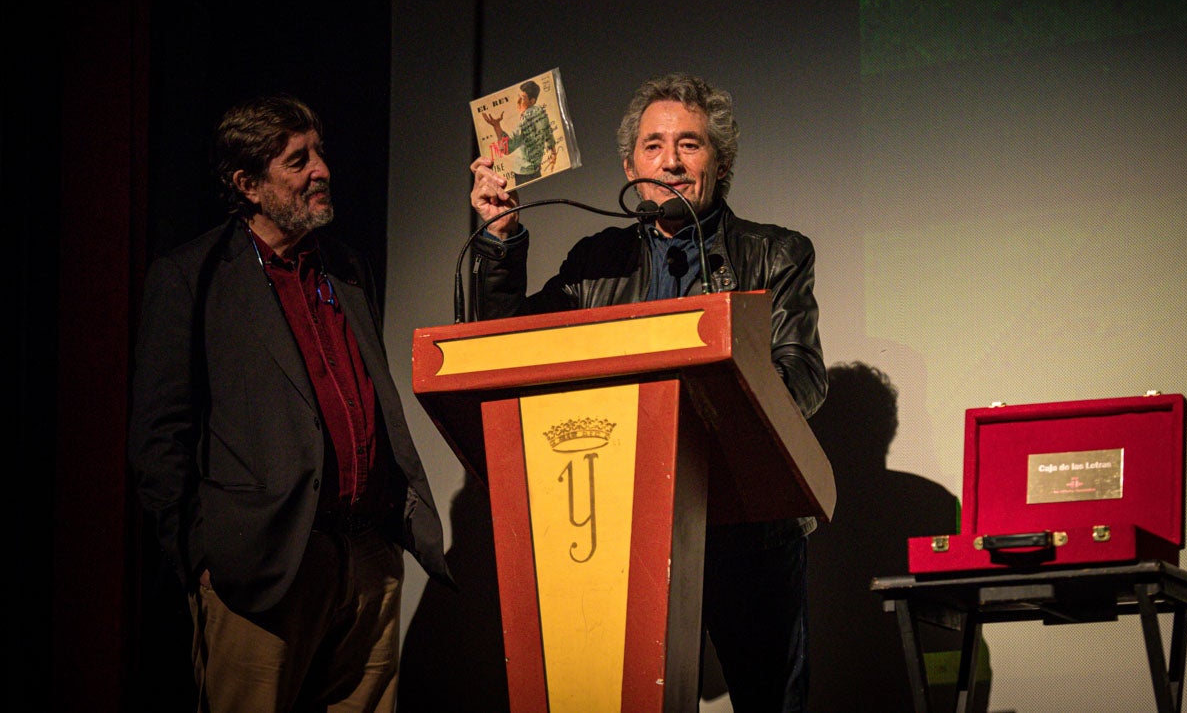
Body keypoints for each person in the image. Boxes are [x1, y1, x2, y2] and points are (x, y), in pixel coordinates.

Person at [469, 72, 826, 712]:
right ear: (630, 164)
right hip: (619, 526)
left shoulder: (777, 254)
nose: (670, 162)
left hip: (747, 525)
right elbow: (501, 350)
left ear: (719, 163)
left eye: (689, 145)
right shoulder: (593, 261)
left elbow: (802, 377)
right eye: (654, 145)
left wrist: (716, 418)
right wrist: (500, 241)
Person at [128, 95, 453, 713]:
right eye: (297, 160)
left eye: (319, 153)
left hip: (366, 556)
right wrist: (201, 558)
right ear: (248, 184)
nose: (321, 170)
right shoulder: (192, 277)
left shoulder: (346, 267)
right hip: (263, 566)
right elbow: (158, 438)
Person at [480, 78, 556, 186]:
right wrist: (554, 153)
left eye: (523, 98)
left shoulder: (525, 121)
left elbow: (506, 149)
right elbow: (548, 134)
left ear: (532, 101)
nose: (518, 101)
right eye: (519, 97)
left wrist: (496, 126)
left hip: (523, 173)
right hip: (536, 170)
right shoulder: (541, 112)